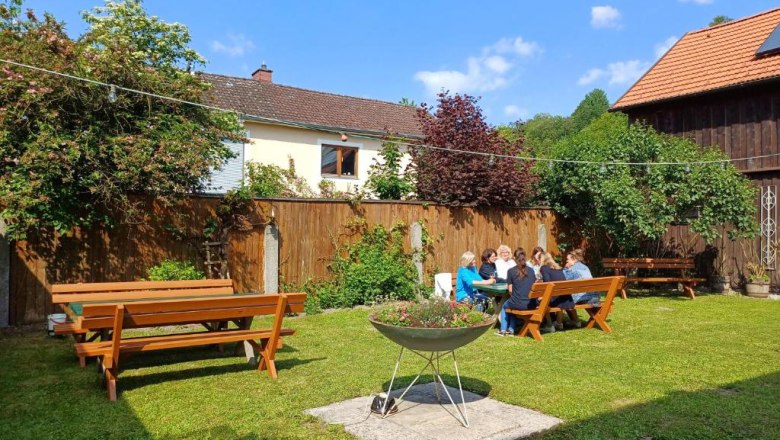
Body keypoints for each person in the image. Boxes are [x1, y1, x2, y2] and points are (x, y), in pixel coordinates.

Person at [498, 248, 536, 336]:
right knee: (513, 302)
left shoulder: (511, 271)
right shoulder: (531, 270)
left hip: (518, 303)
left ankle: (503, 330)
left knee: (505, 306)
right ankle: (511, 329)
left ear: (515, 258)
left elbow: (510, 291)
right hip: (531, 303)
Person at [563, 249, 599, 327]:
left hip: (583, 298)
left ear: (574, 259)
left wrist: (565, 268)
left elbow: (563, 279)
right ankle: (577, 320)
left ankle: (575, 321)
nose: (566, 261)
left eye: (568, 259)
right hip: (594, 296)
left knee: (564, 297)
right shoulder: (585, 267)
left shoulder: (571, 269)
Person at [539, 252, 574, 330]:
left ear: (542, 259)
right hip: (565, 297)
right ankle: (559, 323)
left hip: (556, 298)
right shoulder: (558, 267)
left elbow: (547, 283)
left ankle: (549, 325)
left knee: (542, 300)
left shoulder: (544, 268)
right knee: (556, 296)